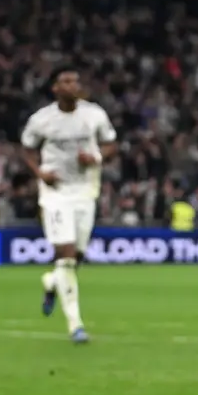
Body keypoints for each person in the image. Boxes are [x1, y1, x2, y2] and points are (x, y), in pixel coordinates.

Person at [20, 67, 117, 343]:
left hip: (86, 190)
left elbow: (111, 144)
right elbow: (27, 149)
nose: (72, 85)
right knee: (65, 255)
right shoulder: (42, 120)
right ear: (55, 88)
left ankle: (52, 281)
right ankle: (76, 325)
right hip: (56, 192)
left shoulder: (94, 114)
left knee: (76, 257)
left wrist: (96, 156)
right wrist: (40, 173)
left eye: (75, 80)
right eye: (66, 81)